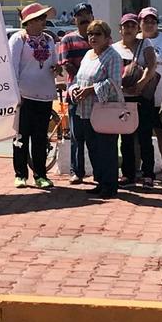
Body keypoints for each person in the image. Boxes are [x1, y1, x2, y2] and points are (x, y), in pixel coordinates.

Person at [68, 19, 123, 197]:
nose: (93, 37)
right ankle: (100, 181)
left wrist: (91, 90)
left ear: (107, 37)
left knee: (106, 148)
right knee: (93, 148)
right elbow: (77, 78)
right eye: (90, 34)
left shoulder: (113, 56)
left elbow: (114, 82)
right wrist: (75, 90)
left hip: (104, 111)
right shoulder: (88, 55)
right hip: (85, 111)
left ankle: (110, 185)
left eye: (98, 34)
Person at [8, 3, 59, 190]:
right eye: (39, 18)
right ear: (28, 22)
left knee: (40, 137)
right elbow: (12, 67)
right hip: (24, 95)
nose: (43, 21)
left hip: (44, 95)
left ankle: (40, 175)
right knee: (21, 137)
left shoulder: (49, 39)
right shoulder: (18, 39)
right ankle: (20, 174)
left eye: (44, 18)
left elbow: (54, 62)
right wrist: (14, 95)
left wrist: (57, 68)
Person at [113, 13, 157, 186]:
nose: (129, 29)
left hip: (142, 97)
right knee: (126, 138)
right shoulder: (115, 48)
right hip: (123, 98)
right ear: (120, 29)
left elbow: (151, 65)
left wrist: (141, 83)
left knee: (145, 136)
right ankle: (128, 174)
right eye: (126, 26)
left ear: (137, 28)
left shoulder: (144, 43)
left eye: (132, 26)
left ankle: (148, 174)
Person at [138, 6, 162, 184]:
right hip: (140, 98)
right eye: (146, 21)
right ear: (140, 22)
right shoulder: (135, 40)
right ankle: (138, 170)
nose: (149, 24)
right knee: (139, 136)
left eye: (153, 21)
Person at [57, 2, 94, 184]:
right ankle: (76, 171)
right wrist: (85, 81)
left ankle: (99, 170)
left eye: (87, 14)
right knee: (76, 135)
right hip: (76, 93)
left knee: (97, 135)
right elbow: (67, 65)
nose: (84, 18)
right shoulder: (68, 40)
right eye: (80, 15)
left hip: (97, 95)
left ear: (93, 17)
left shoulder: (102, 37)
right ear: (75, 19)